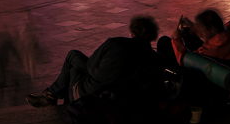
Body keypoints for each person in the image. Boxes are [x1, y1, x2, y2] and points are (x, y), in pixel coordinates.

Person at [26, 15, 163, 106]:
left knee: (72, 60)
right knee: (75, 62)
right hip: (121, 98)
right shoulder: (155, 58)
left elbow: (91, 67)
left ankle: (51, 96)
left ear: (132, 33)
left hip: (92, 95)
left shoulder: (115, 44)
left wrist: (103, 70)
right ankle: (51, 96)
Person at [159, 9, 230, 69]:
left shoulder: (210, 50)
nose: (200, 32)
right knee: (187, 33)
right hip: (225, 58)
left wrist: (176, 40)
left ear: (212, 29)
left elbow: (185, 60)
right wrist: (192, 25)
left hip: (201, 67)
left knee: (164, 42)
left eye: (202, 29)